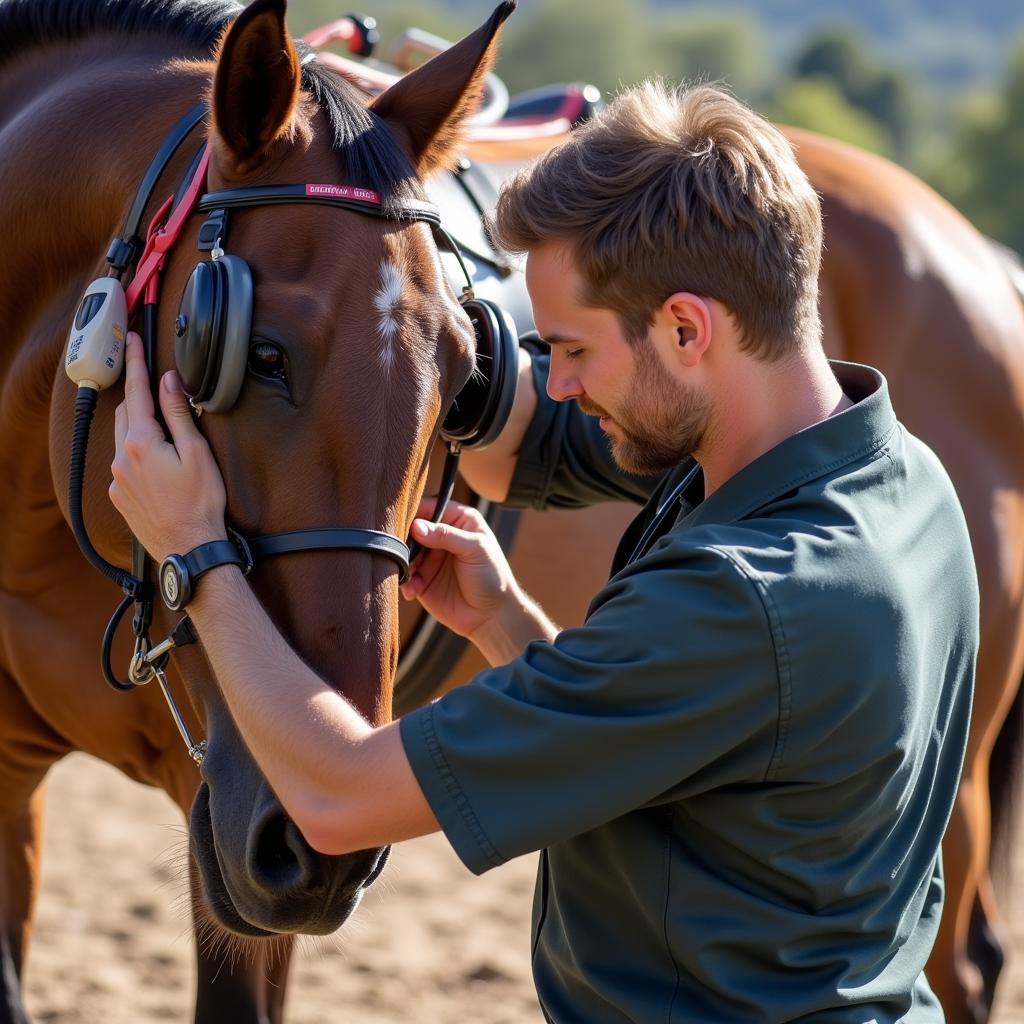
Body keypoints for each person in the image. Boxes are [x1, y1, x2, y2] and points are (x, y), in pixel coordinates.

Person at [110, 81, 978, 1022]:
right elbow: (682, 735)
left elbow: (337, 796)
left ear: (687, 328)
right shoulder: (899, 480)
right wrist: (506, 623)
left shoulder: (739, 600)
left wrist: (194, 551)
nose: (555, 384)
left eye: (569, 349)